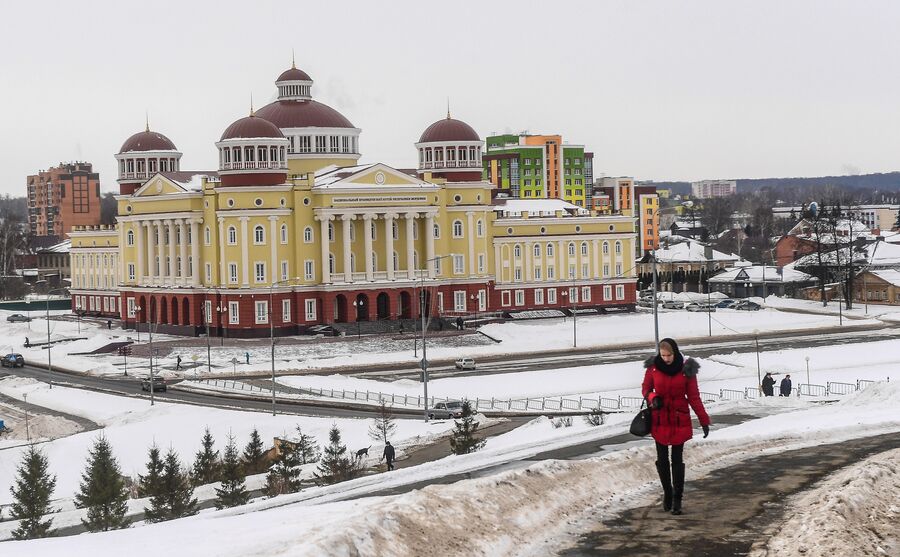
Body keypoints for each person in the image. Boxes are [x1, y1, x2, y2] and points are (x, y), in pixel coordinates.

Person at [643, 338, 711, 515]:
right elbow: (645, 389)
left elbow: (694, 397)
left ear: (675, 352)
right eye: (663, 355)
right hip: (659, 418)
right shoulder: (653, 367)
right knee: (662, 460)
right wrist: (652, 398)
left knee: (677, 460)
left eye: (669, 355)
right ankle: (667, 492)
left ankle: (677, 498)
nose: (666, 358)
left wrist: (703, 420)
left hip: (679, 418)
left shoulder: (686, 369)